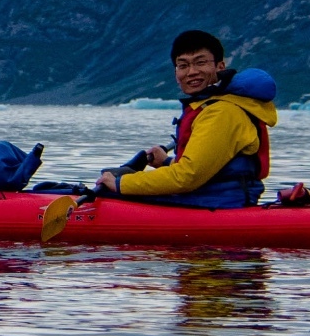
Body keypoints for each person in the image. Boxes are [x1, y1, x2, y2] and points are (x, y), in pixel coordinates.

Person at [94, 30, 277, 208]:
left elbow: (187, 177)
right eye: (183, 65)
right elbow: (209, 169)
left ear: (220, 67)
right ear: (176, 73)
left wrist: (120, 184)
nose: (191, 72)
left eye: (200, 63)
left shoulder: (222, 113)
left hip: (217, 202)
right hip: (211, 197)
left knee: (109, 194)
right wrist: (167, 162)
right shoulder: (214, 107)